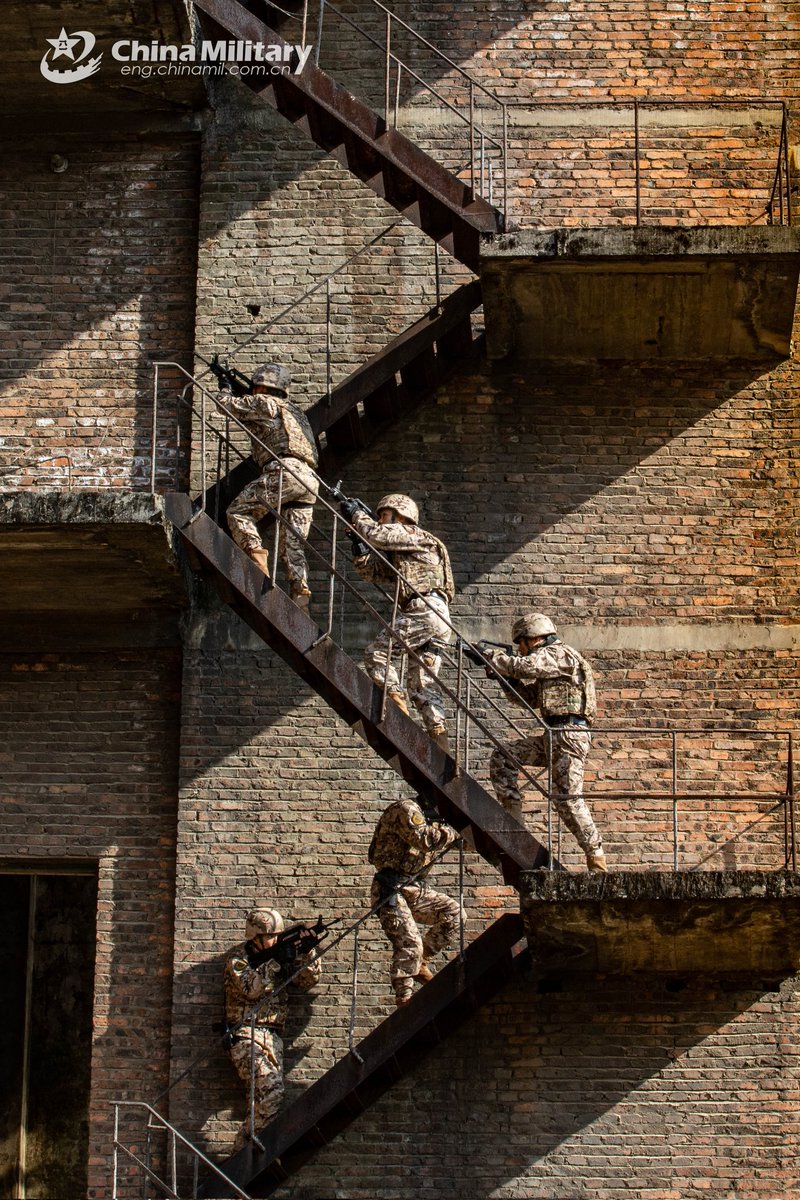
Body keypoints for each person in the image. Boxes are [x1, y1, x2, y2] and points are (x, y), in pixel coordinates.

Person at [483, 612, 608, 873]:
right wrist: (504, 678)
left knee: (567, 798)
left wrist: (495, 659)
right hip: (554, 734)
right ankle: (514, 818)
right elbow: (528, 699)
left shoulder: (560, 654)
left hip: (570, 734)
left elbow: (526, 666)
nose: (519, 649)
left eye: (521, 643)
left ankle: (596, 857)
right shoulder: (547, 663)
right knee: (505, 756)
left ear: (535, 637)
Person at [339, 492, 455, 751]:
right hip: (436, 615)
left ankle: (396, 707)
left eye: (383, 515)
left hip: (424, 608)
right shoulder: (407, 549)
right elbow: (373, 573)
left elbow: (378, 536)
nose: (380, 521)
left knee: (377, 654)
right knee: (421, 684)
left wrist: (357, 515)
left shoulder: (417, 536)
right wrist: (358, 547)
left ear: (401, 516)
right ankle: (440, 739)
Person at [219, 364, 318, 610]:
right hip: (310, 479)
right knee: (291, 543)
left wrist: (225, 386)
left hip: (285, 470)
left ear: (262, 386)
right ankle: (300, 590)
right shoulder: (297, 412)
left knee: (238, 512)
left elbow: (224, 405)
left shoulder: (264, 403)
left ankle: (257, 562)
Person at [223, 907, 321, 1150]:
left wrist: (306, 953)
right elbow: (252, 988)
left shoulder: (277, 954)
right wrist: (276, 962)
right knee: (273, 1093)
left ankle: (247, 1154)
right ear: (254, 936)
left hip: (274, 1036)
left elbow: (307, 981)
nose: (275, 940)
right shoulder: (238, 960)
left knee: (264, 1101)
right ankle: (241, 1152)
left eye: (278, 935)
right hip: (245, 1033)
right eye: (270, 936)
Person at [368, 794, 463, 1006]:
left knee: (455, 914)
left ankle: (421, 963)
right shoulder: (406, 809)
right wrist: (455, 829)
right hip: (390, 887)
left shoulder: (436, 821)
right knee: (410, 942)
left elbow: (459, 842)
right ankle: (405, 996)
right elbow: (426, 839)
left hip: (413, 886)